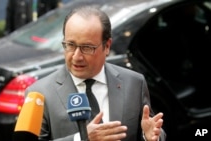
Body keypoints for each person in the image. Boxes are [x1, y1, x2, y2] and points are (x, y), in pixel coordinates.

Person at [26, 5, 166, 141]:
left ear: (107, 46)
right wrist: (81, 139)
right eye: (70, 45)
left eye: (87, 47)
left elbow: (151, 129)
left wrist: (149, 137)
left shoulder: (134, 83)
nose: (76, 56)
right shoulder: (40, 93)